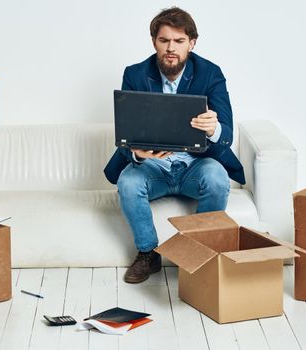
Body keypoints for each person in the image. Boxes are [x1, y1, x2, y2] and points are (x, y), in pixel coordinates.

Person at [104, 7, 245, 284]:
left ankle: (198, 252)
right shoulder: (135, 74)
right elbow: (126, 133)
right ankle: (148, 254)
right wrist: (137, 153)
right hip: (153, 166)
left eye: (179, 41)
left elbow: (227, 133)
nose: (171, 48)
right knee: (129, 180)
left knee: (216, 177)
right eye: (164, 40)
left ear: (191, 43)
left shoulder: (210, 73)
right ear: (154, 41)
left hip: (196, 164)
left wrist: (213, 128)